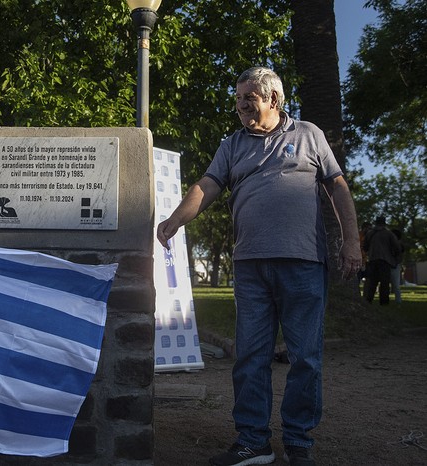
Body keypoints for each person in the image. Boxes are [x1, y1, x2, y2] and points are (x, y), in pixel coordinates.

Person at [157, 67, 362, 466]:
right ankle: (253, 442)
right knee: (251, 356)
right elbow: (208, 184)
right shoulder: (232, 144)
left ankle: (298, 443)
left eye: (247, 98)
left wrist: (352, 242)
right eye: (237, 100)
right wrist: (176, 218)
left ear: (273, 99)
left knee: (305, 357)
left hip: (303, 262)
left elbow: (337, 186)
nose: (240, 107)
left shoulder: (308, 134)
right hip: (250, 266)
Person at [362, 216, 400, 305]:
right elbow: (396, 247)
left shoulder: (370, 233)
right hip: (385, 260)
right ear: (384, 223)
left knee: (372, 282)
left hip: (372, 260)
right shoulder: (389, 234)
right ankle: (384, 302)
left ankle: (369, 300)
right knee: (384, 283)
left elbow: (365, 247)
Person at [390, 228, 405, 304]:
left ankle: (398, 301)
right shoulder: (396, 243)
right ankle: (398, 300)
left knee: (396, 284)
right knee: (395, 284)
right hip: (393, 264)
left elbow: (399, 255)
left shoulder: (398, 244)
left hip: (395, 265)